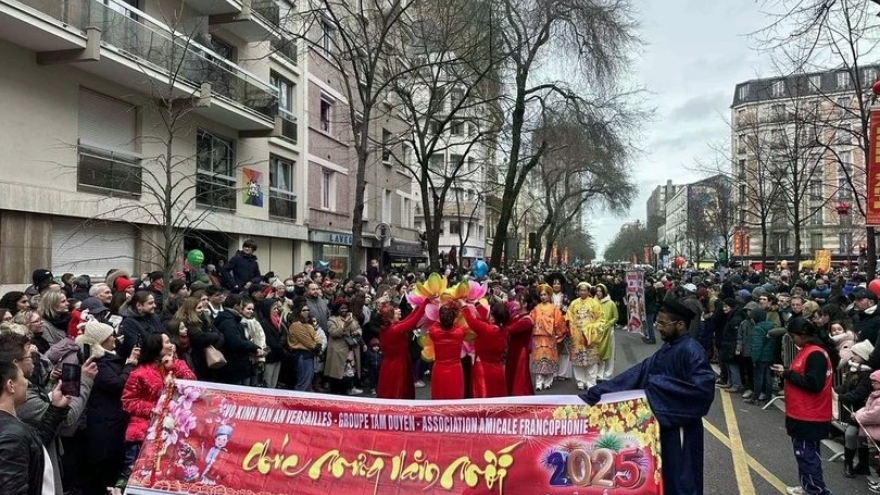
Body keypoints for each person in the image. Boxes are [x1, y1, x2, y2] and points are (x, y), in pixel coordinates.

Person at [580, 299, 716, 495]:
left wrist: (658, 387)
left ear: (679, 325)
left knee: (682, 478)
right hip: (664, 424)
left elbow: (702, 392)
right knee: (667, 474)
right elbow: (639, 372)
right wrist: (599, 392)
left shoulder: (692, 351)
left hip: (681, 428)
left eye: (663, 324)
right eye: (658, 323)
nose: (658, 328)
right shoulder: (669, 348)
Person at [773, 319, 834, 495]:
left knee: (806, 455)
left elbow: (814, 383)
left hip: (810, 414)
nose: (792, 340)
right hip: (802, 412)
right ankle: (809, 485)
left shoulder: (814, 354)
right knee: (806, 454)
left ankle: (817, 490)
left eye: (793, 336)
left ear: (803, 335)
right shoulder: (808, 351)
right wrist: (787, 371)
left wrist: (787, 373)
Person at [0, 360, 71, 495]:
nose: (27, 382)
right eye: (23, 377)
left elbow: (34, 444)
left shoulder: (13, 430)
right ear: (10, 385)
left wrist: (56, 409)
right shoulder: (13, 436)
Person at [376, 302, 425, 399]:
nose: (397, 312)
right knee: (398, 392)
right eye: (394, 312)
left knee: (388, 391)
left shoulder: (388, 328)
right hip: (398, 365)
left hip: (389, 364)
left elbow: (408, 319)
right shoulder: (395, 329)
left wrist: (420, 305)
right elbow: (413, 321)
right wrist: (425, 303)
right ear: (390, 317)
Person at [461, 301, 508, 398]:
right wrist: (476, 303)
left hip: (482, 367)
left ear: (493, 317)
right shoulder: (504, 331)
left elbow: (471, 321)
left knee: (483, 395)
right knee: (497, 394)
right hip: (497, 368)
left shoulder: (486, 329)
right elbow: (485, 316)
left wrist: (464, 306)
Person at [565, 282, 606, 391]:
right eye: (580, 290)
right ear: (578, 291)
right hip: (576, 336)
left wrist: (591, 329)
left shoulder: (595, 304)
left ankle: (591, 382)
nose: (582, 292)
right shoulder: (573, 303)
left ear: (588, 291)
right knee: (578, 362)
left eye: (585, 290)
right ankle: (580, 382)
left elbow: (601, 320)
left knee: (591, 361)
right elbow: (569, 318)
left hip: (590, 337)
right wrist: (572, 328)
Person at [428, 304, 467, 400]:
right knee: (455, 396)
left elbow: (434, 324)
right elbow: (459, 325)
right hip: (456, 368)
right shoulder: (460, 332)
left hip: (439, 368)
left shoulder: (434, 332)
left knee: (439, 397)